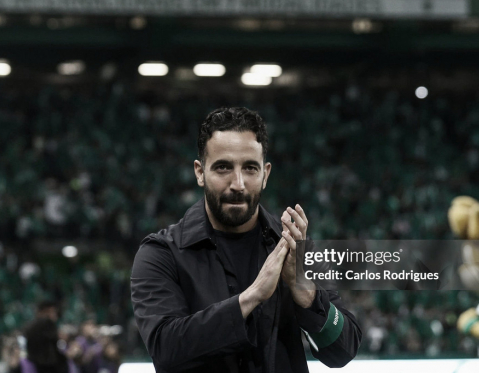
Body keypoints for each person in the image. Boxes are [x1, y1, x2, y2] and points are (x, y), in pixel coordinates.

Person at [131, 107, 361, 373]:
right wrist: (250, 298)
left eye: (250, 168)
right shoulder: (161, 254)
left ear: (266, 174)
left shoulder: (294, 247)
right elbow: (165, 350)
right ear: (199, 172)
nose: (238, 183)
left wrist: (306, 294)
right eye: (223, 167)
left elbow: (343, 351)